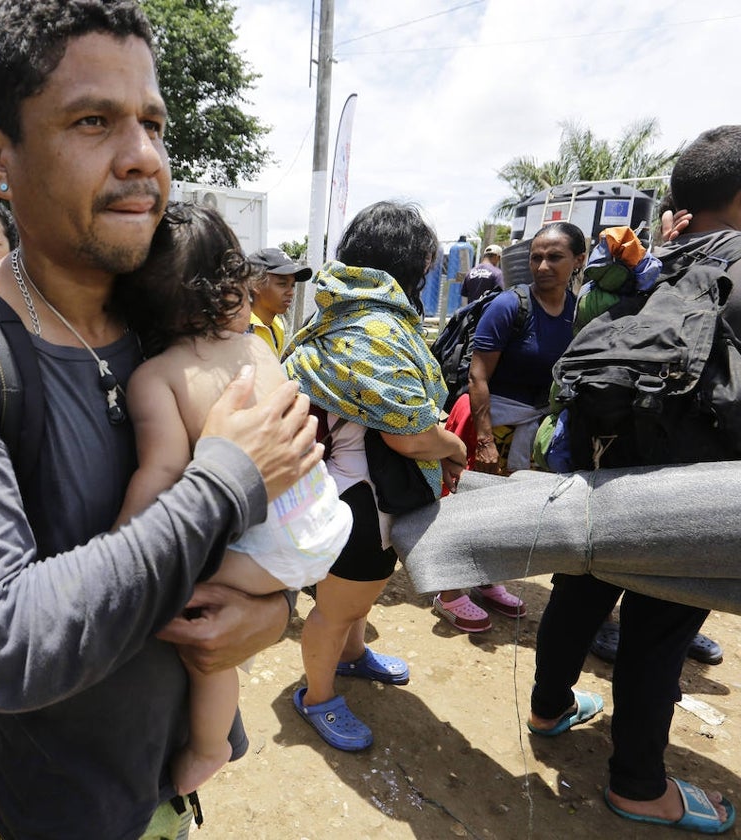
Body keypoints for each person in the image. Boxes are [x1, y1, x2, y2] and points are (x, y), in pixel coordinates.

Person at [0, 2, 320, 836]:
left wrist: (270, 615)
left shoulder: (168, 314)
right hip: (67, 810)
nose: (143, 157)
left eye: (153, 122)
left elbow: (283, 514)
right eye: (93, 121)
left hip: (175, 778)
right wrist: (226, 479)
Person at [528, 126, 741, 834]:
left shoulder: (638, 265)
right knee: (658, 632)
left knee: (578, 594)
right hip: (688, 488)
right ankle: (639, 786)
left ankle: (550, 706)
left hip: (601, 469)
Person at [113, 202, 351, 795]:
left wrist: (117, 546)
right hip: (323, 517)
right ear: (235, 288)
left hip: (270, 545)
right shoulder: (259, 349)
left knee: (197, 631)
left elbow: (160, 471)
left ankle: (208, 746)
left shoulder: (155, 377)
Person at [283, 201, 466, 752]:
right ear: (411, 268)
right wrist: (454, 444)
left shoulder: (337, 311)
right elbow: (406, 434)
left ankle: (355, 657)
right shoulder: (375, 327)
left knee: (355, 601)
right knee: (336, 607)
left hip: (345, 490)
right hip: (356, 499)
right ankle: (316, 697)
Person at [434, 223, 582, 632]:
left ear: (579, 261)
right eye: (536, 257)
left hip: (530, 425)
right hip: (488, 420)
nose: (543, 265)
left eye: (555, 257)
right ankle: (448, 593)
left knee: (507, 512)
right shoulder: (508, 306)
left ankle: (487, 580)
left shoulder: (578, 312)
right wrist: (484, 441)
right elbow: (478, 378)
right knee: (468, 506)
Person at [246, 247, 312, 357]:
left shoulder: (277, 326)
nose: (291, 292)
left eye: (292, 285)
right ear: (255, 284)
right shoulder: (242, 330)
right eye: (282, 284)